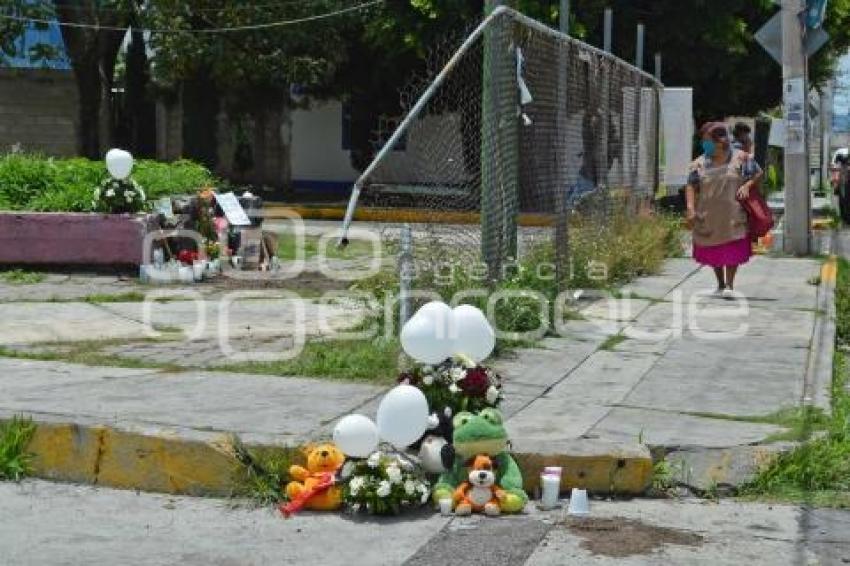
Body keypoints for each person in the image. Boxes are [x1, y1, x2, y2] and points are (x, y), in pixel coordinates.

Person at [686, 122, 763, 298]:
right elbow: (691, 185)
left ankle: (729, 284)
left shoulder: (741, 158)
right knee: (713, 249)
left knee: (732, 248)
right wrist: (690, 208)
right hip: (709, 215)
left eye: (707, 141)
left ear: (720, 142)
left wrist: (747, 186)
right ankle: (720, 283)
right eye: (703, 141)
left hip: (733, 214)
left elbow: (758, 173)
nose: (704, 145)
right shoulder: (699, 163)